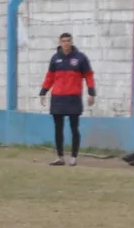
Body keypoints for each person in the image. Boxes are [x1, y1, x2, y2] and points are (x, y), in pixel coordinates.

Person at [39, 33, 96, 166]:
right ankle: (60, 157)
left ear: (71, 42)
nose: (66, 43)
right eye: (63, 41)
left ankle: (74, 157)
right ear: (60, 42)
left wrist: (91, 92)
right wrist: (43, 92)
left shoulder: (80, 58)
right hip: (58, 98)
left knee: (74, 127)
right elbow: (49, 77)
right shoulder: (55, 59)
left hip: (73, 97)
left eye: (68, 41)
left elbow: (89, 76)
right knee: (58, 128)